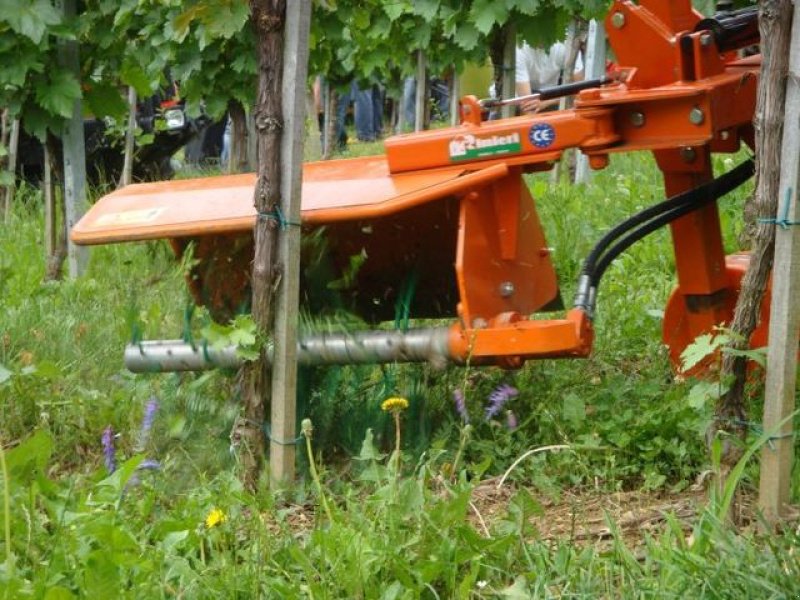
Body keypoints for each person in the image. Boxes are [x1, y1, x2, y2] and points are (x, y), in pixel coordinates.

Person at [515, 41, 583, 113]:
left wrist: (546, 102)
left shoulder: (567, 41)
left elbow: (579, 91)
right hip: (525, 94)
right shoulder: (519, 49)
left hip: (553, 95)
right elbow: (528, 105)